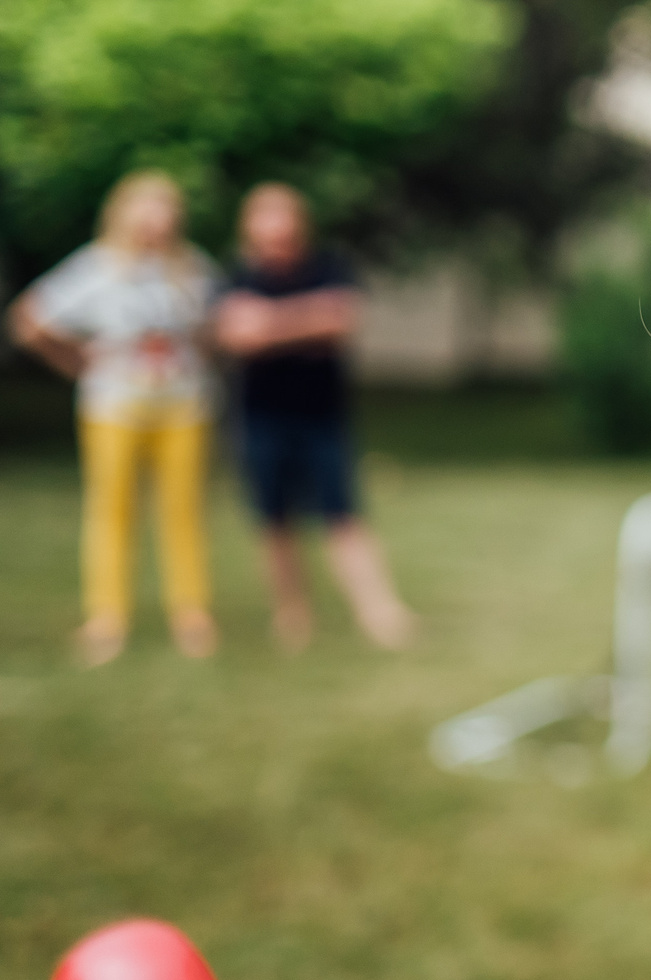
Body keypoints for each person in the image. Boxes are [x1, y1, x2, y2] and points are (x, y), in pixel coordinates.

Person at [8, 171, 223, 664]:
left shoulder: (193, 268)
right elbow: (28, 319)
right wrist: (74, 360)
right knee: (112, 512)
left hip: (184, 406)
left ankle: (191, 614)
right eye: (147, 210)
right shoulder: (97, 267)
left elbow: (215, 328)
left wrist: (200, 354)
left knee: (183, 511)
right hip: (114, 407)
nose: (157, 222)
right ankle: (107, 618)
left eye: (165, 211)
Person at [212, 183, 414, 651]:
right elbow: (237, 336)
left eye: (285, 229)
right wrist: (307, 318)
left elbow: (341, 319)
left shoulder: (329, 266)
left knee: (343, 514)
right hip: (261, 416)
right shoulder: (237, 276)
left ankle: (379, 611)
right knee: (274, 519)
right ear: (250, 231)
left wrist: (268, 321)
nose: (278, 240)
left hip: (322, 416)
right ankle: (292, 613)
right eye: (268, 231)